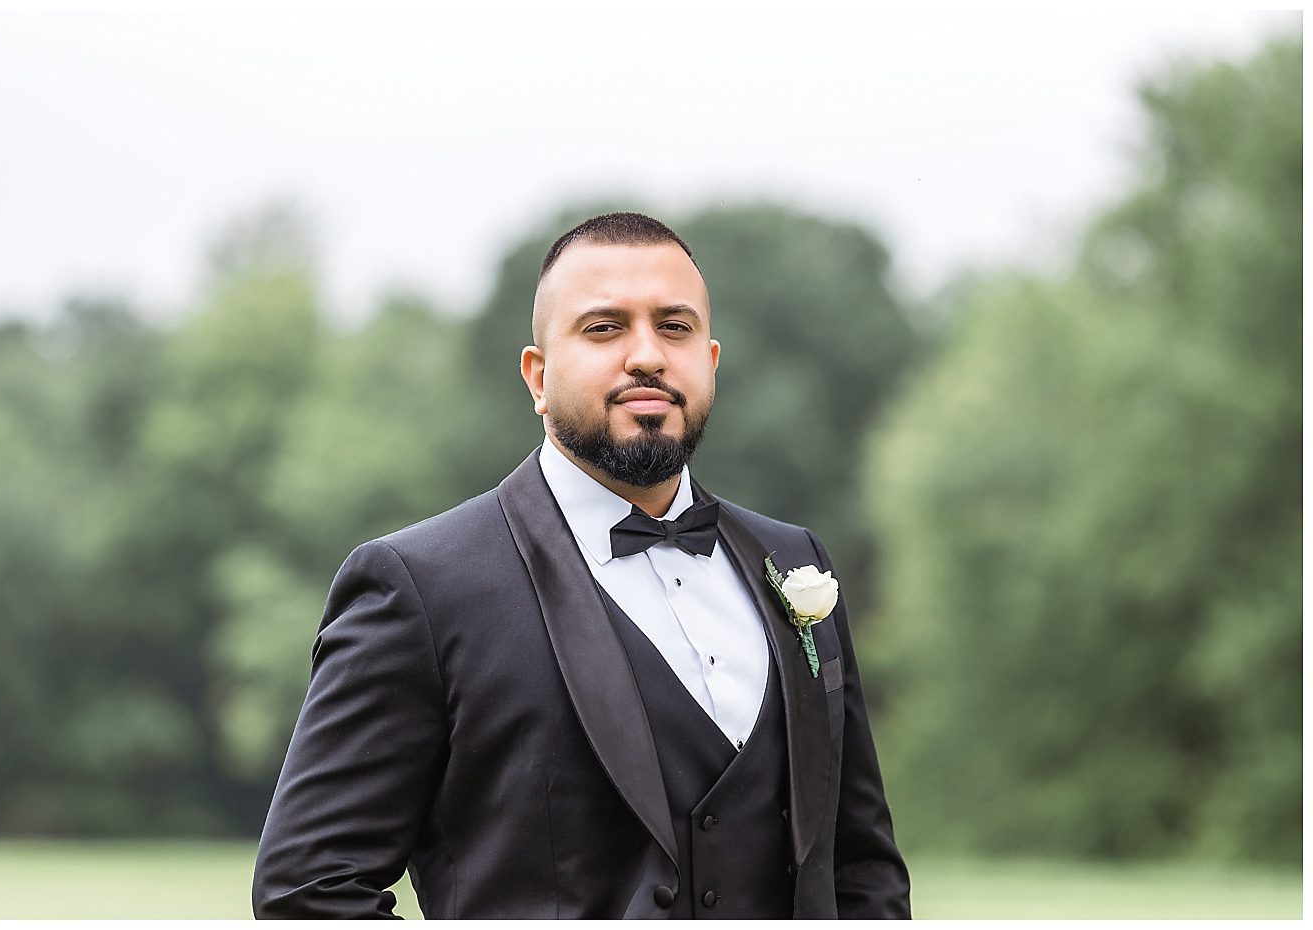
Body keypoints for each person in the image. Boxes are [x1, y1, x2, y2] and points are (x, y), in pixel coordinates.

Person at [252, 212, 909, 919]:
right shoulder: (418, 587)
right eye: (604, 328)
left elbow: (860, 870)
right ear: (539, 375)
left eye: (675, 327)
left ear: (710, 362)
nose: (648, 355)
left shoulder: (795, 562)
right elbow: (309, 893)